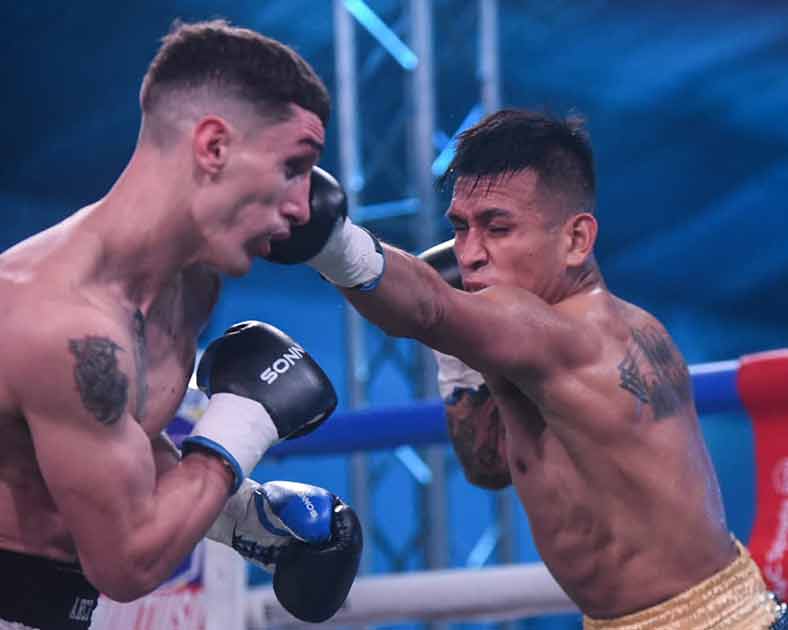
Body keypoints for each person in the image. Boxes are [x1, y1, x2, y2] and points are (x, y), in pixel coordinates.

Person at [267, 109, 788, 628]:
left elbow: (427, 308)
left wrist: (330, 241)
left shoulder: (572, 337)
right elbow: (489, 466)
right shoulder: (554, 347)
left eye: (498, 227)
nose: (470, 253)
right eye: (460, 228)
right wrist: (457, 354)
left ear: (576, 241)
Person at [0, 20, 362, 630]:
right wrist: (239, 429)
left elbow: (112, 438)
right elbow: (128, 564)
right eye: (294, 166)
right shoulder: (60, 320)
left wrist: (247, 517)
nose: (304, 207)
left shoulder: (190, 282)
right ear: (213, 146)